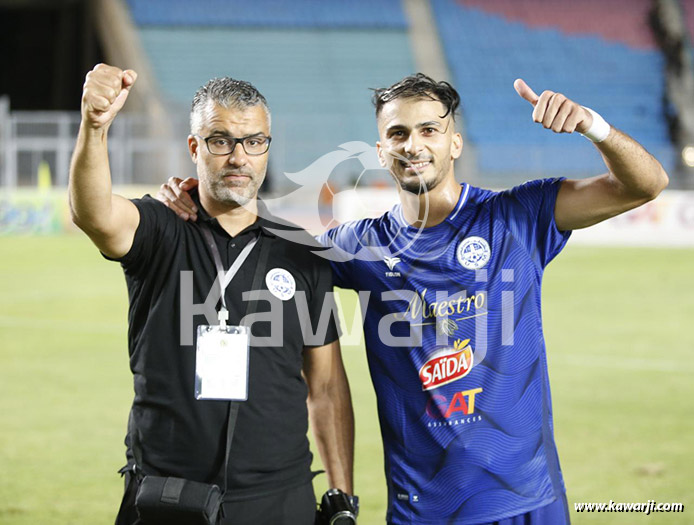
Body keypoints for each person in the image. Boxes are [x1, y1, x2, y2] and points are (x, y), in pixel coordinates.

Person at [159, 73, 668, 524]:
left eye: (429, 129)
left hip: (528, 498)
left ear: (454, 143)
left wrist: (592, 126)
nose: (413, 143)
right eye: (397, 133)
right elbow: (258, 236)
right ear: (380, 152)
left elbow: (646, 185)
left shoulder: (517, 217)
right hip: (424, 507)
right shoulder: (356, 245)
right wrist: (193, 192)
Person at [68, 63, 355, 525]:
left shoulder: (305, 255)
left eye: (254, 142)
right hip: (169, 496)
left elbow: (326, 386)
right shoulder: (160, 228)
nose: (239, 158)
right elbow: (94, 214)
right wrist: (95, 126)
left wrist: (343, 495)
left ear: (266, 148)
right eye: (220, 141)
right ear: (194, 147)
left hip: (279, 500)